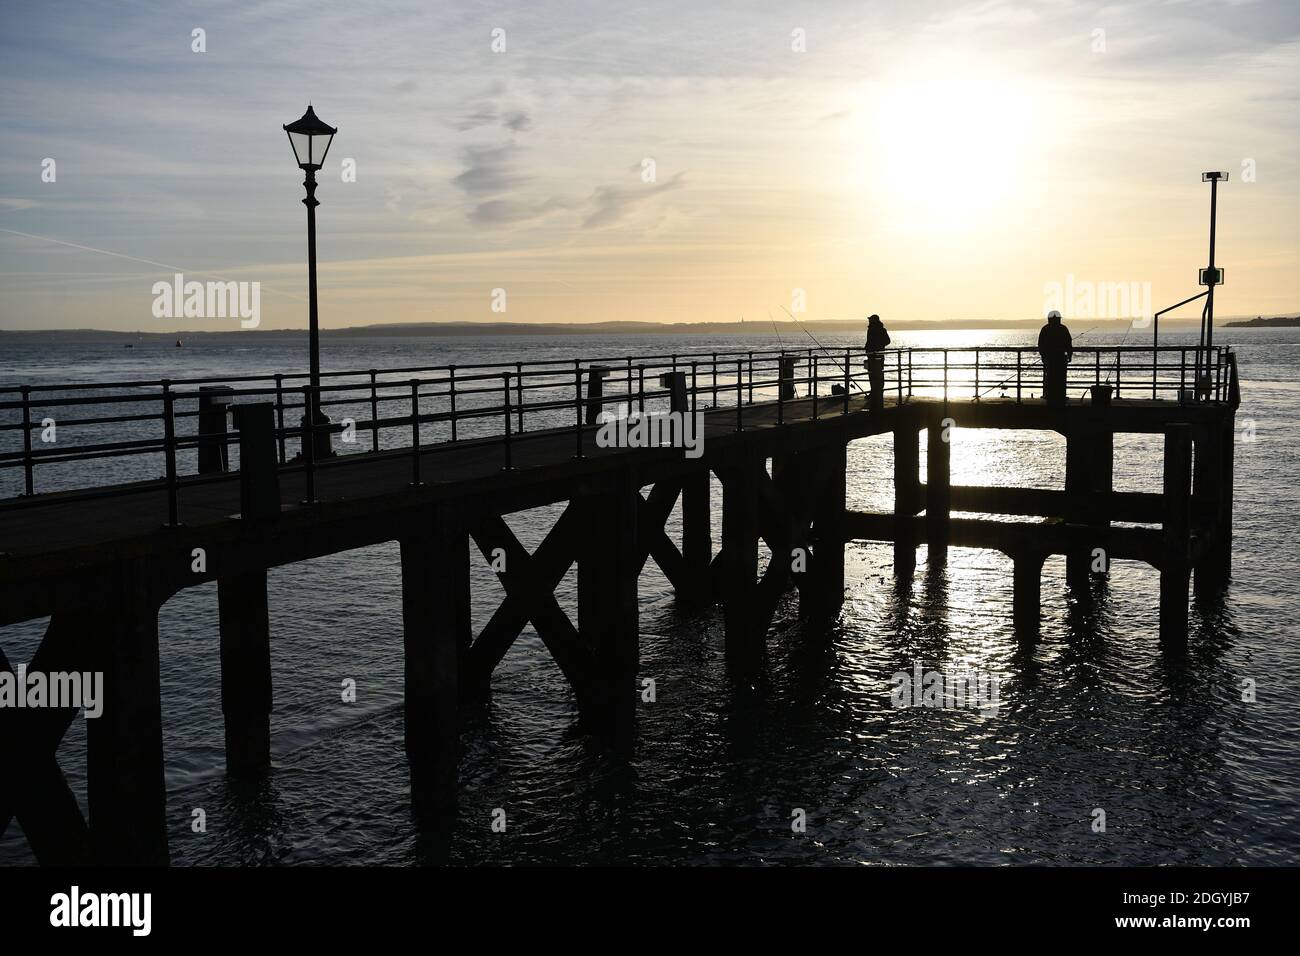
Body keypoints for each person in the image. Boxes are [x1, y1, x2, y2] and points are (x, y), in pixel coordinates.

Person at [1037, 310, 1073, 406]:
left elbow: (1040, 344)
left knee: (1050, 377)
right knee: (1061, 378)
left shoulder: (1045, 329)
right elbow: (1069, 343)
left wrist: (1043, 356)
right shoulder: (1063, 328)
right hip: (1061, 357)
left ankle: (1049, 396)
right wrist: (1070, 355)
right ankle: (1060, 396)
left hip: (1049, 358)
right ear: (1058, 319)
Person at [865, 314, 891, 411]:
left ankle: (875, 392)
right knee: (876, 373)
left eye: (870, 320)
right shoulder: (879, 329)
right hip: (875, 355)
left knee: (874, 374)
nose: (869, 321)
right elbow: (887, 341)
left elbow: (887, 341)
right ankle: (876, 392)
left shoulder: (873, 330)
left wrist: (877, 346)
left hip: (875, 355)